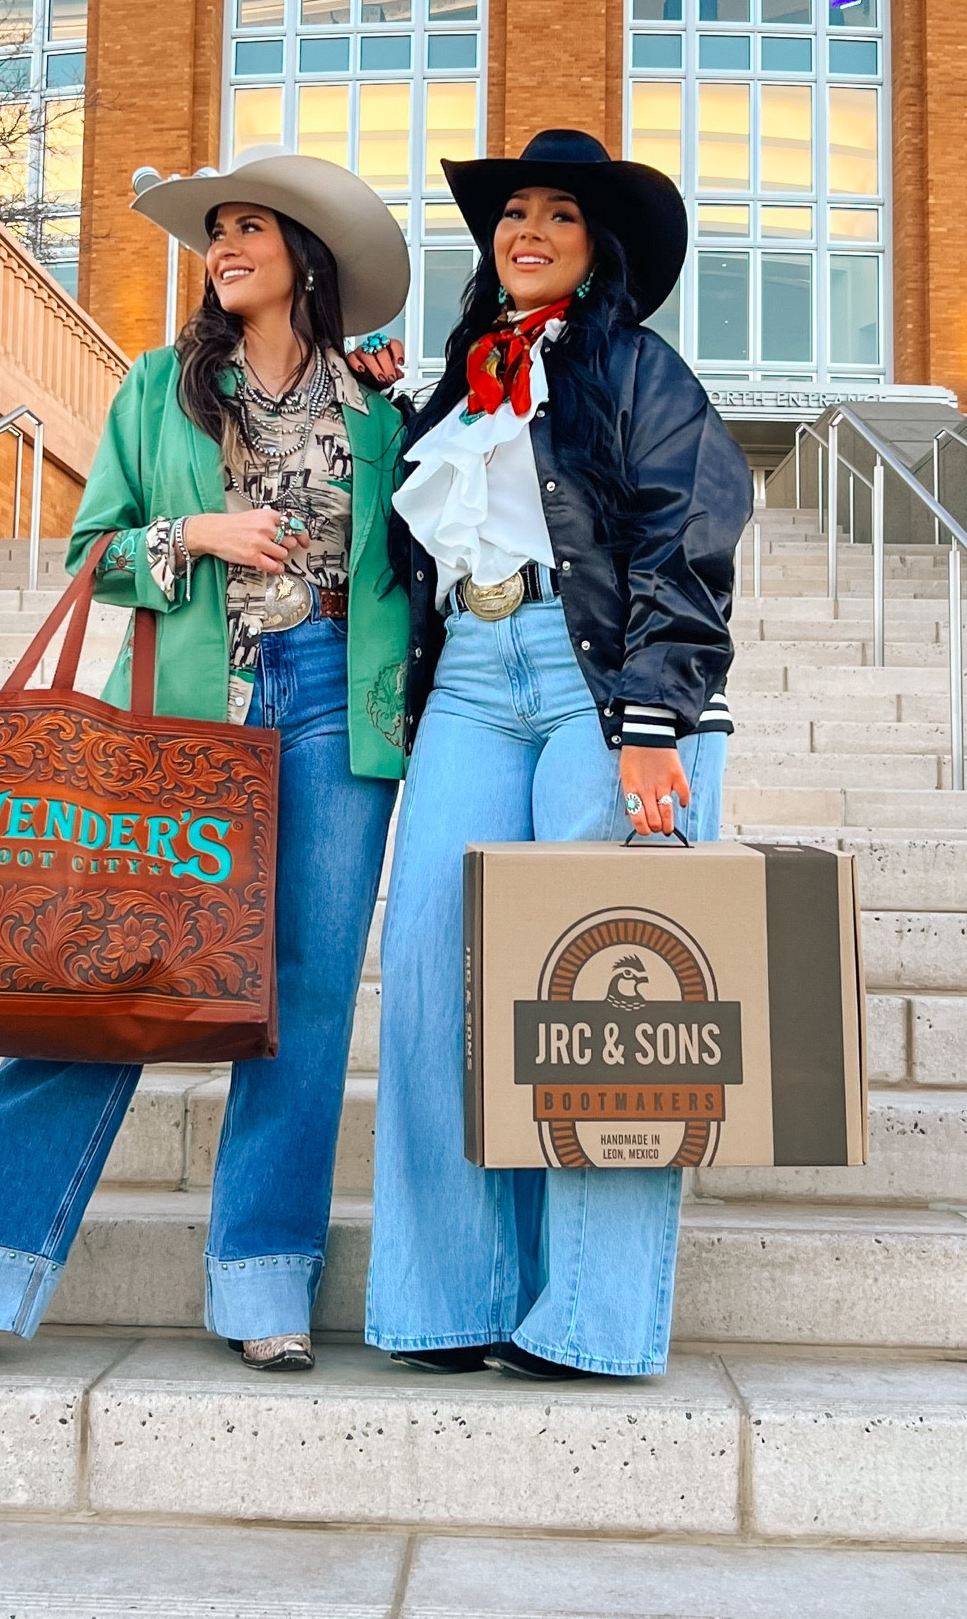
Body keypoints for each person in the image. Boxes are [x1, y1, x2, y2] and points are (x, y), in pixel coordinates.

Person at [0, 150, 412, 1376]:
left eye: (246, 229)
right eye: (214, 231)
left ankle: (264, 1281)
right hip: (182, 712)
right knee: (102, 975)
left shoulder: (377, 409)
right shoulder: (161, 387)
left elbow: (412, 559)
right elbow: (93, 550)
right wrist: (197, 532)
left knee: (305, 999)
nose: (221, 248)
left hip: (336, 701)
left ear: (304, 259)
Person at [361, 128, 753, 1381]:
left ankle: (589, 1314)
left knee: (598, 994)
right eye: (511, 212)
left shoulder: (638, 369)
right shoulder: (460, 384)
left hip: (598, 685)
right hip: (471, 683)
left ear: (597, 251)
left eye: (558, 217)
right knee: (428, 966)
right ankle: (448, 1298)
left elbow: (686, 539)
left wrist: (652, 723)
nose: (525, 231)